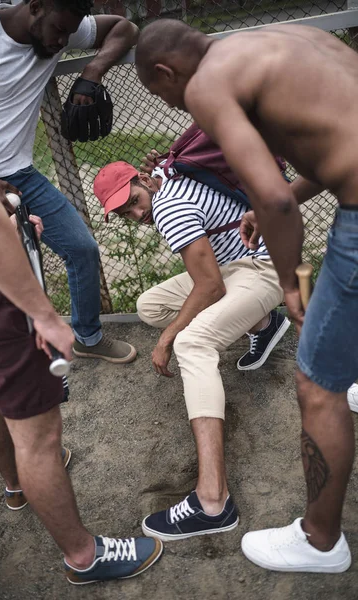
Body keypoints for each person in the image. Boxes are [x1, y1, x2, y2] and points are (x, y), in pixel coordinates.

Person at [134, 19, 358, 572]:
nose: (181, 109)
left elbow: (277, 208)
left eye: (163, 96)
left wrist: (290, 285)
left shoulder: (208, 84)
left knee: (316, 384)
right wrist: (274, 204)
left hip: (280, 253)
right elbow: (335, 149)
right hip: (283, 232)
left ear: (166, 72)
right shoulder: (283, 38)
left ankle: (318, 540)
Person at [0, 89, 162, 584]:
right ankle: (84, 554)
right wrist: (43, 313)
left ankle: (14, 487)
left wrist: (5, 204)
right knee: (40, 436)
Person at [93, 134, 290, 541]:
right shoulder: (166, 173)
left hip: (263, 268)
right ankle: (263, 325)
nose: (136, 214)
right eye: (124, 212)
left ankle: (213, 501)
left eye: (133, 201)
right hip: (234, 263)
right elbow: (211, 282)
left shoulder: (168, 207)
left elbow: (210, 287)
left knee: (190, 343)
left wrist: (168, 337)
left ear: (143, 181)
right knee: (150, 304)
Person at [0, 0, 138, 363]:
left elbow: (125, 28)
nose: (62, 42)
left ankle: (86, 336)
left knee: (82, 248)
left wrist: (93, 71)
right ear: (35, 7)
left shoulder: (62, 23)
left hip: (21, 174)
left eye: (70, 34)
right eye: (59, 31)